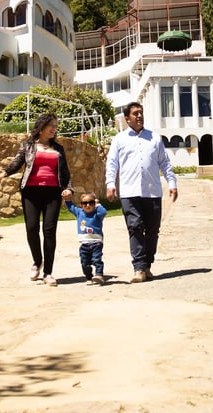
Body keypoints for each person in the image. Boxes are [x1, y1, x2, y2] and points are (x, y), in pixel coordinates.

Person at [0, 113, 73, 286]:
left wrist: (68, 189)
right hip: (31, 192)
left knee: (49, 231)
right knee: (31, 228)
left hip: (53, 192)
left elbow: (65, 172)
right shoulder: (28, 146)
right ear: (41, 126)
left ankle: (48, 273)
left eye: (55, 125)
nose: (54, 128)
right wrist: (5, 172)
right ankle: (37, 261)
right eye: (51, 125)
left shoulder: (58, 149)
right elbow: (17, 162)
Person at [105, 102, 178, 283]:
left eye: (141, 113)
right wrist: (110, 184)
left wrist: (172, 183)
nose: (139, 116)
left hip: (152, 192)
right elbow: (112, 164)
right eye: (135, 113)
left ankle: (147, 266)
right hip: (129, 192)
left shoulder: (154, 138)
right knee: (135, 227)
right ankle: (138, 268)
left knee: (152, 231)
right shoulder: (119, 140)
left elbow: (165, 163)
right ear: (127, 118)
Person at [65, 192, 107, 285]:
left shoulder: (97, 213)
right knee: (84, 262)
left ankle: (99, 275)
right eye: (85, 203)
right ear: (81, 205)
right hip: (84, 244)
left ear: (94, 204)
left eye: (91, 203)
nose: (88, 205)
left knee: (96, 259)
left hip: (96, 242)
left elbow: (104, 212)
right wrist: (67, 199)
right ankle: (89, 277)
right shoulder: (79, 212)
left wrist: (98, 204)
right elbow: (71, 207)